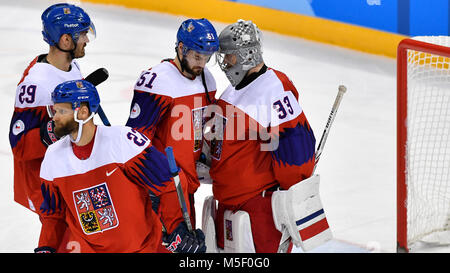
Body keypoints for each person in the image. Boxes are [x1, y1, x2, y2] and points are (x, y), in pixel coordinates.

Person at [35, 79, 205, 253]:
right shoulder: (53, 157)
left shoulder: (123, 141)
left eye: (61, 111)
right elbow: (52, 214)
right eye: (54, 110)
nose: (54, 117)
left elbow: (168, 183)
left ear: (83, 112)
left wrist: (176, 227)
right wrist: (46, 246)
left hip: (141, 248)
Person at [206, 20, 316, 252]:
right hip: (228, 202)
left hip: (260, 210)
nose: (225, 63)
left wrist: (292, 195)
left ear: (247, 55)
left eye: (230, 57)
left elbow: (295, 148)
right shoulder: (232, 91)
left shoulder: (275, 89)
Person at [8, 3, 95, 252]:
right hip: (45, 183)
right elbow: (20, 146)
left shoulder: (72, 67)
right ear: (66, 39)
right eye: (82, 35)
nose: (87, 40)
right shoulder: (36, 83)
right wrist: (58, 128)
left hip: (68, 172)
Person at [125, 18, 219, 230]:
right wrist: (151, 183)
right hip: (163, 184)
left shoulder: (207, 80)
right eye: (197, 56)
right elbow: (136, 138)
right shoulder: (157, 81)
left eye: (207, 57)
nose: (202, 64)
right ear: (181, 48)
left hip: (187, 183)